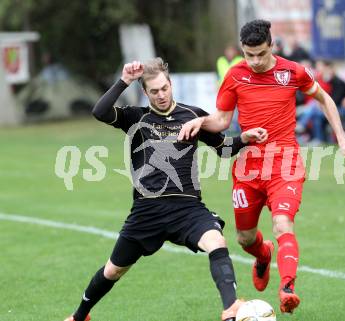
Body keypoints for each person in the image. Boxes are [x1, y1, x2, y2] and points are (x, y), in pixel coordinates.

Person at [64, 58, 268, 321]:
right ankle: (79, 316)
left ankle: (231, 309)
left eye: (164, 88)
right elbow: (100, 112)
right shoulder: (136, 118)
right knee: (113, 271)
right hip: (147, 211)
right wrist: (124, 80)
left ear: (171, 84)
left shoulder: (193, 115)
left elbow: (223, 149)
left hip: (187, 208)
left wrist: (244, 139)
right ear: (145, 92)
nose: (161, 95)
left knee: (216, 242)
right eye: (154, 91)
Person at [178, 20, 345, 314]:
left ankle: (287, 288)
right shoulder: (235, 75)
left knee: (282, 223)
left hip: (285, 165)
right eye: (249, 55)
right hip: (248, 169)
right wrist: (200, 121)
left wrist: (343, 139)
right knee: (245, 238)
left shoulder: (293, 71)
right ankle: (263, 256)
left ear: (271, 46)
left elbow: (324, 99)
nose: (255, 61)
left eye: (261, 54)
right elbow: (222, 121)